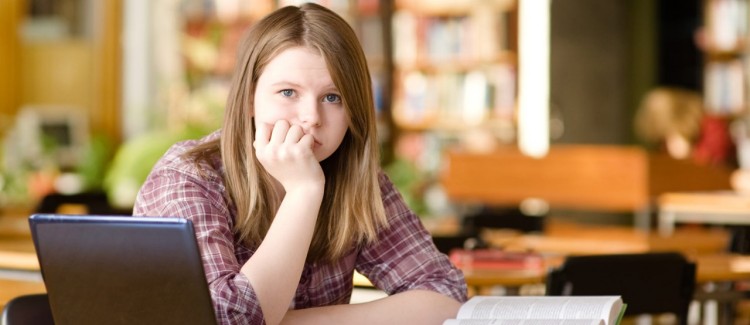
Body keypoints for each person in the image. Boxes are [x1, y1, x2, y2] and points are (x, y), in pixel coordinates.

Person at [133, 3, 467, 325]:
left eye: (332, 97)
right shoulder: (188, 178)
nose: (311, 118)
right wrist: (304, 192)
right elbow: (223, 318)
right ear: (250, 99)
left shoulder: (353, 175)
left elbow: (445, 295)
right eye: (288, 93)